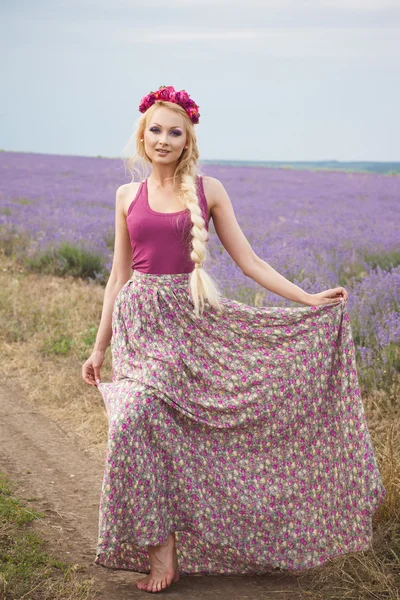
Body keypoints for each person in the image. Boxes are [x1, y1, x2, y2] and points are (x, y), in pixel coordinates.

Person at [81, 85, 386, 594]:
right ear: (142, 135)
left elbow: (251, 262)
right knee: (133, 420)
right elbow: (117, 278)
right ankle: (162, 550)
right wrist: (98, 348)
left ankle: (215, 535)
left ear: (187, 140)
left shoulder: (210, 189)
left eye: (174, 132)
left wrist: (308, 300)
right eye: (155, 130)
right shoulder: (125, 196)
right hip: (139, 329)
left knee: (169, 428)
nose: (163, 139)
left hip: (191, 327)